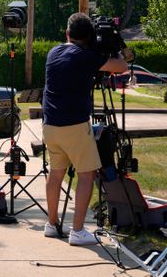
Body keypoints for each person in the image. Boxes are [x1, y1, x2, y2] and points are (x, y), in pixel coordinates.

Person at [42, 12, 130, 246]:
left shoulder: (53, 53)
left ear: (67, 33)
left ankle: (51, 224)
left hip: (50, 125)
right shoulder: (87, 57)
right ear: (89, 36)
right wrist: (115, 46)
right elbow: (121, 66)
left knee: (56, 173)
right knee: (86, 175)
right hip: (74, 126)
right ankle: (78, 231)